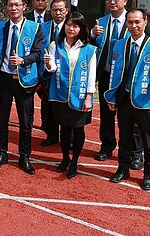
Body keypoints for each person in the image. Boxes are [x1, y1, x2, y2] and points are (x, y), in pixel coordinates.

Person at [105, 8, 150, 191]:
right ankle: (123, 169)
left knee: (148, 139)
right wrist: (112, 97)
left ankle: (149, 175)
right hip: (125, 99)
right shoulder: (119, 45)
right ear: (126, 24)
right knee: (124, 137)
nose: (134, 26)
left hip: (146, 99)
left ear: (145, 22)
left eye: (137, 22)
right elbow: (115, 73)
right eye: (130, 22)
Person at [91, 0, 150, 167]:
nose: (113, 2)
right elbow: (91, 46)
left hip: (128, 78)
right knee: (106, 114)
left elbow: (149, 44)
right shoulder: (101, 22)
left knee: (131, 117)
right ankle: (107, 146)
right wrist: (92, 34)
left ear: (125, 1)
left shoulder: (135, 20)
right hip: (107, 75)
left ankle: (136, 153)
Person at [0, 0, 44, 175]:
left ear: (24, 7)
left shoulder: (34, 27)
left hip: (24, 79)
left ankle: (24, 156)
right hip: (3, 79)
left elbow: (38, 53)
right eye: (10, 5)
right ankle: (2, 154)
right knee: (2, 119)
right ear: (6, 8)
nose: (13, 8)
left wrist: (23, 60)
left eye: (17, 5)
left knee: (25, 121)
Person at [44, 12, 96, 179]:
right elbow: (53, 68)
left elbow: (91, 74)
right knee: (64, 128)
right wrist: (48, 63)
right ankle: (65, 158)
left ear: (81, 29)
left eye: (75, 26)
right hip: (60, 94)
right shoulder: (55, 45)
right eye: (68, 25)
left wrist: (89, 96)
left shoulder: (89, 49)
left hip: (79, 95)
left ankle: (74, 161)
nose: (71, 28)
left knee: (78, 129)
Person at [39, 0, 69, 146]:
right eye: (55, 10)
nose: (58, 13)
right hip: (47, 73)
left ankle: (68, 138)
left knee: (65, 106)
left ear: (66, 11)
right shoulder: (42, 27)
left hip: (66, 74)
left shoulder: (71, 27)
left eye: (61, 10)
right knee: (48, 105)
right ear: (50, 11)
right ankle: (51, 135)